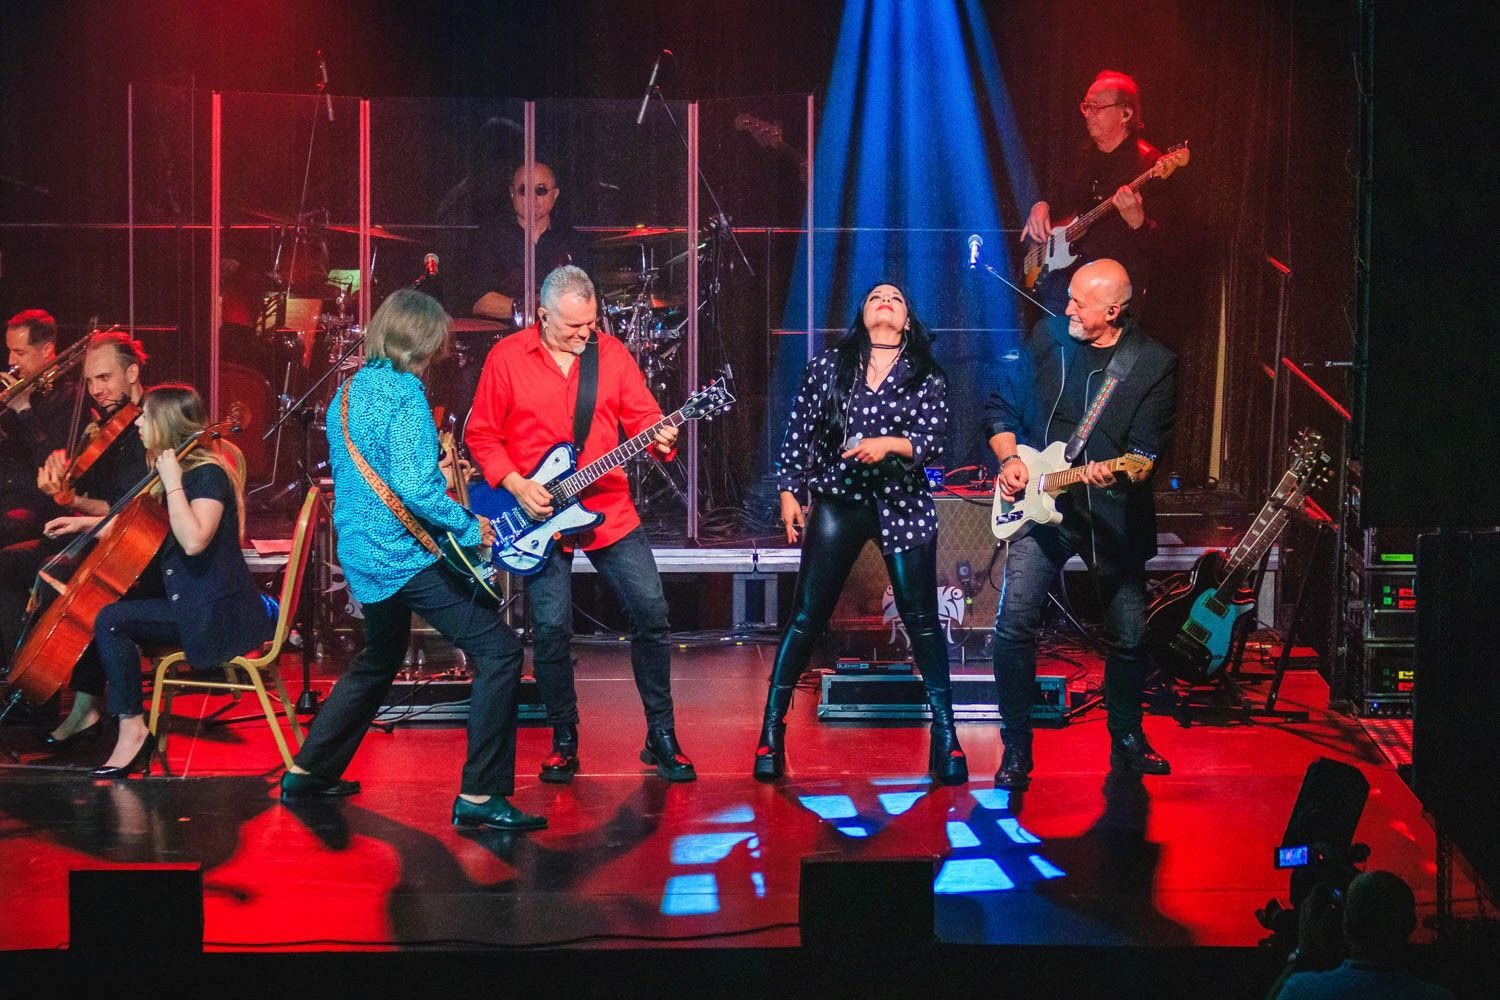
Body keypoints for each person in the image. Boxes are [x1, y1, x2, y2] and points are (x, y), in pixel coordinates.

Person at [282, 289, 544, 832]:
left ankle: (310, 770)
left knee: (379, 656)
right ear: (425, 341)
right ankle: (481, 794)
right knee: (499, 652)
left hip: (361, 553)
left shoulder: (349, 391)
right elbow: (417, 490)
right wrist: (471, 526)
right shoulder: (406, 396)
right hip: (401, 556)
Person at [466, 264, 694, 784]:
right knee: (550, 629)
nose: (584, 334)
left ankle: (661, 735)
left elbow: (644, 418)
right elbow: (482, 435)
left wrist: (662, 437)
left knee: (651, 611)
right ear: (542, 315)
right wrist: (517, 484)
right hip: (536, 514)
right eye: (573, 326)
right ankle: (563, 738)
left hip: (606, 504)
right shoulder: (507, 358)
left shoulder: (610, 354)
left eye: (590, 323)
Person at [758, 281, 963, 783]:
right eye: (875, 297)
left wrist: (890, 444)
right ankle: (770, 731)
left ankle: (946, 736)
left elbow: (935, 441)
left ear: (907, 321)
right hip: (840, 500)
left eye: (896, 298)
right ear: (862, 315)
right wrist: (789, 490)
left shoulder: (927, 375)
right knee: (806, 616)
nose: (885, 301)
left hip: (902, 503)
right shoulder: (829, 367)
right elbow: (799, 431)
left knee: (922, 620)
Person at [985, 259, 1176, 789]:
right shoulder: (1049, 337)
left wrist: (1114, 474)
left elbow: (1143, 455)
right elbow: (1000, 406)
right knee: (1013, 626)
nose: (1066, 307)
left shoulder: (1154, 362)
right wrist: (1010, 459)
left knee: (1129, 635)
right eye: (1068, 296)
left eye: (1079, 302)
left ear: (1113, 311)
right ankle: (1016, 745)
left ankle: (1127, 737)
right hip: (1042, 504)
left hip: (1110, 512)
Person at [41, 384, 273, 778]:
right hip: (192, 599)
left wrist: (173, 482)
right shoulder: (176, 474)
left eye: (145, 418)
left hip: (214, 612)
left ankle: (132, 729)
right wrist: (83, 523)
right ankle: (97, 714)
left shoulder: (207, 475)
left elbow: (194, 540)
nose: (138, 426)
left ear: (166, 424)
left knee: (111, 620)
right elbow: (142, 529)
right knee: (106, 608)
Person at [0, 331, 150, 737]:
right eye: (90, 380)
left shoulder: (148, 426)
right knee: (8, 564)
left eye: (105, 378)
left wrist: (79, 507)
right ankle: (23, 685)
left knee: (56, 575)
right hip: (95, 535)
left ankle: (51, 694)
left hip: (130, 548)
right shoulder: (106, 428)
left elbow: (128, 507)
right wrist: (66, 495)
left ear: (132, 373)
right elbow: (97, 499)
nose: (96, 390)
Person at [437, 146, 593, 416]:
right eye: (523, 191)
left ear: (555, 195)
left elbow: (586, 301)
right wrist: (524, 308)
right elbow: (478, 300)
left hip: (561, 347)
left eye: (541, 191)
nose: (532, 198)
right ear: (512, 194)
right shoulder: (489, 237)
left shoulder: (572, 241)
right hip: (500, 345)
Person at [1020, 70, 1163, 316]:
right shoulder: (1081, 154)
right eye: (1086, 106)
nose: (1087, 114)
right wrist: (1040, 205)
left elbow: (1166, 248)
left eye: (1096, 107)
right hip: (1063, 281)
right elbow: (1053, 194)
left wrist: (1138, 223)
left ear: (1126, 114)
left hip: (1110, 296)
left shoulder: (1149, 165)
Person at [1273, 870, 1454, 999]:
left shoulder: (1301, 990)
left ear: (1345, 925)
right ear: (1411, 924)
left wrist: (1302, 951)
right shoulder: (1438, 996)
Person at [1, 309, 80, 546]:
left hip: (36, 505)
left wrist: (24, 410)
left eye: (19, 353)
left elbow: (52, 464)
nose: (11, 361)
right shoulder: (17, 391)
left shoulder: (70, 398)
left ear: (46, 350)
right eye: (9, 351)